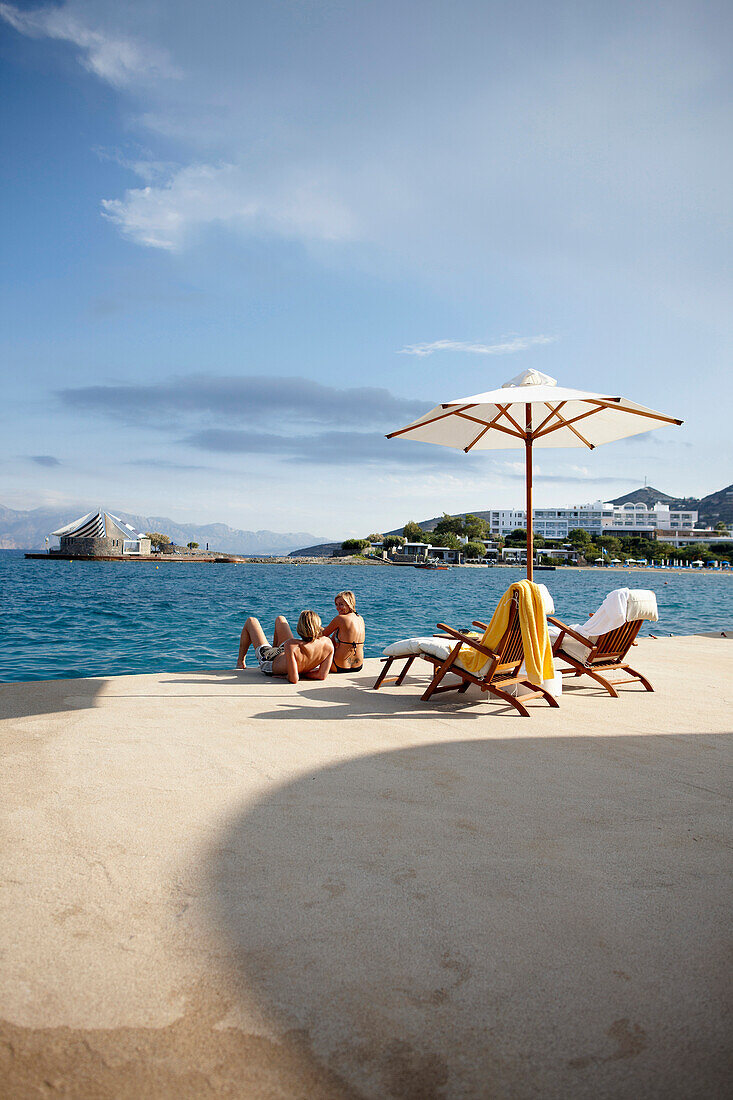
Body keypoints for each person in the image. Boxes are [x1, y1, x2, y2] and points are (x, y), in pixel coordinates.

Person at [237, 610, 333, 683]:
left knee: (251, 621)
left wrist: (287, 676)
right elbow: (321, 675)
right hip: (286, 654)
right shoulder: (328, 643)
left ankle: (240, 662)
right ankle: (273, 649)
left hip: (270, 660)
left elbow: (294, 679)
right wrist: (304, 673)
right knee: (280, 619)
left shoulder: (292, 645)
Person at [322, 590, 365, 673]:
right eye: (336, 605)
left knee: (322, 639)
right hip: (358, 666)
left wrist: (316, 627)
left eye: (341, 604)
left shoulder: (340, 619)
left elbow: (324, 634)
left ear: (350, 603)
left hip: (339, 666)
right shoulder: (360, 618)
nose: (338, 608)